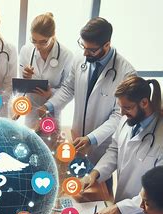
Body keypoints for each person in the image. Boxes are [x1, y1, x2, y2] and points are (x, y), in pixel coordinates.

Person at [41, 17, 135, 165]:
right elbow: (68, 88)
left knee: (100, 183)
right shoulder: (80, 60)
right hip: (78, 137)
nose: (85, 53)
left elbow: (119, 115)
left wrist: (91, 138)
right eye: (83, 46)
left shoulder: (126, 73)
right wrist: (49, 106)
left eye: (91, 50)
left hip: (101, 144)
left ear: (107, 45)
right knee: (75, 178)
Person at [83, 76, 163, 214]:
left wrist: (119, 208)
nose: (122, 113)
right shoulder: (127, 121)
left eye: (127, 107)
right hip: (121, 208)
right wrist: (95, 174)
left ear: (144, 103)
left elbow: (157, 191)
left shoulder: (161, 136)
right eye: (121, 107)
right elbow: (114, 150)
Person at [18, 12, 73, 130]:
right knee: (29, 144)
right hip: (31, 110)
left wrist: (51, 94)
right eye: (34, 40)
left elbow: (68, 90)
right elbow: (20, 87)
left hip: (53, 110)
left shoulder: (66, 55)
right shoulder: (26, 50)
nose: (37, 46)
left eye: (43, 42)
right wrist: (25, 77)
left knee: (49, 146)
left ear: (53, 35)